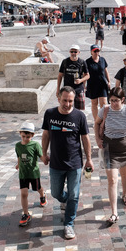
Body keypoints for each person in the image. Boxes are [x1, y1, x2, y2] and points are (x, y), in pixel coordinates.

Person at [41, 86, 94, 240]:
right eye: (65, 100)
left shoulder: (79, 116)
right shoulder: (50, 114)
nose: (68, 104)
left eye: (71, 101)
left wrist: (89, 159)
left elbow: (85, 138)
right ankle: (65, 201)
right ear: (58, 98)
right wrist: (44, 154)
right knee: (56, 193)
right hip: (56, 163)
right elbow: (45, 135)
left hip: (75, 163)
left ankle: (69, 224)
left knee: (75, 194)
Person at [94, 87, 126, 225]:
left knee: (125, 174)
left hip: (124, 146)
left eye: (116, 101)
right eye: (111, 100)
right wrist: (98, 140)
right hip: (109, 146)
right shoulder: (105, 109)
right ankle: (114, 213)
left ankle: (124, 194)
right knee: (112, 180)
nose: (113, 104)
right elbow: (96, 123)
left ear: (122, 100)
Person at [15, 122, 46, 227]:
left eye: (27, 137)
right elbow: (19, 156)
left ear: (32, 135)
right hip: (23, 174)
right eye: (23, 136)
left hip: (33, 173)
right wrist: (18, 164)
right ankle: (26, 214)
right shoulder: (18, 146)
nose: (25, 139)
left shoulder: (35, 145)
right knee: (24, 193)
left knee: (38, 188)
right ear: (20, 134)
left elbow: (41, 156)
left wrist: (45, 160)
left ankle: (42, 195)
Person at [57, 45, 89, 110]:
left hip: (78, 89)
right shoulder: (65, 62)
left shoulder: (82, 62)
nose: (73, 53)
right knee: (66, 108)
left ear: (79, 52)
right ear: (69, 52)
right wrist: (58, 89)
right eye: (72, 51)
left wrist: (81, 80)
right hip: (67, 89)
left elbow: (87, 75)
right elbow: (60, 75)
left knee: (79, 109)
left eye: (75, 52)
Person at [85, 44, 111, 122]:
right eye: (95, 51)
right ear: (91, 52)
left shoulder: (102, 60)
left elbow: (106, 71)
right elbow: (85, 74)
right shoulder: (87, 62)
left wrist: (109, 81)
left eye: (98, 50)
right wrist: (84, 85)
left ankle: (104, 120)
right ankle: (96, 121)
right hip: (92, 85)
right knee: (94, 103)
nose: (96, 52)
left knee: (104, 103)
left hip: (102, 84)